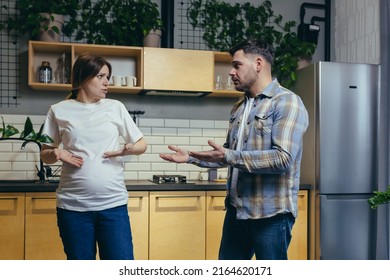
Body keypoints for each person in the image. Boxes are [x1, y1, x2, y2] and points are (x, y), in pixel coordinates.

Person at [160, 38, 309, 260]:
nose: (231, 71)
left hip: (271, 215)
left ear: (258, 64)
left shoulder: (286, 102)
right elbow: (228, 155)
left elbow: (282, 159)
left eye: (236, 65)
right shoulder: (240, 106)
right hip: (237, 211)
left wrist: (229, 155)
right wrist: (191, 157)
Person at [40, 53, 147, 260]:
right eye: (100, 77)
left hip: (113, 207)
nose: (107, 83)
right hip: (73, 209)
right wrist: (56, 152)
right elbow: (45, 154)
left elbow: (142, 145)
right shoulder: (58, 111)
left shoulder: (115, 107)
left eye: (108, 77)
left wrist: (128, 149)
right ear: (83, 78)